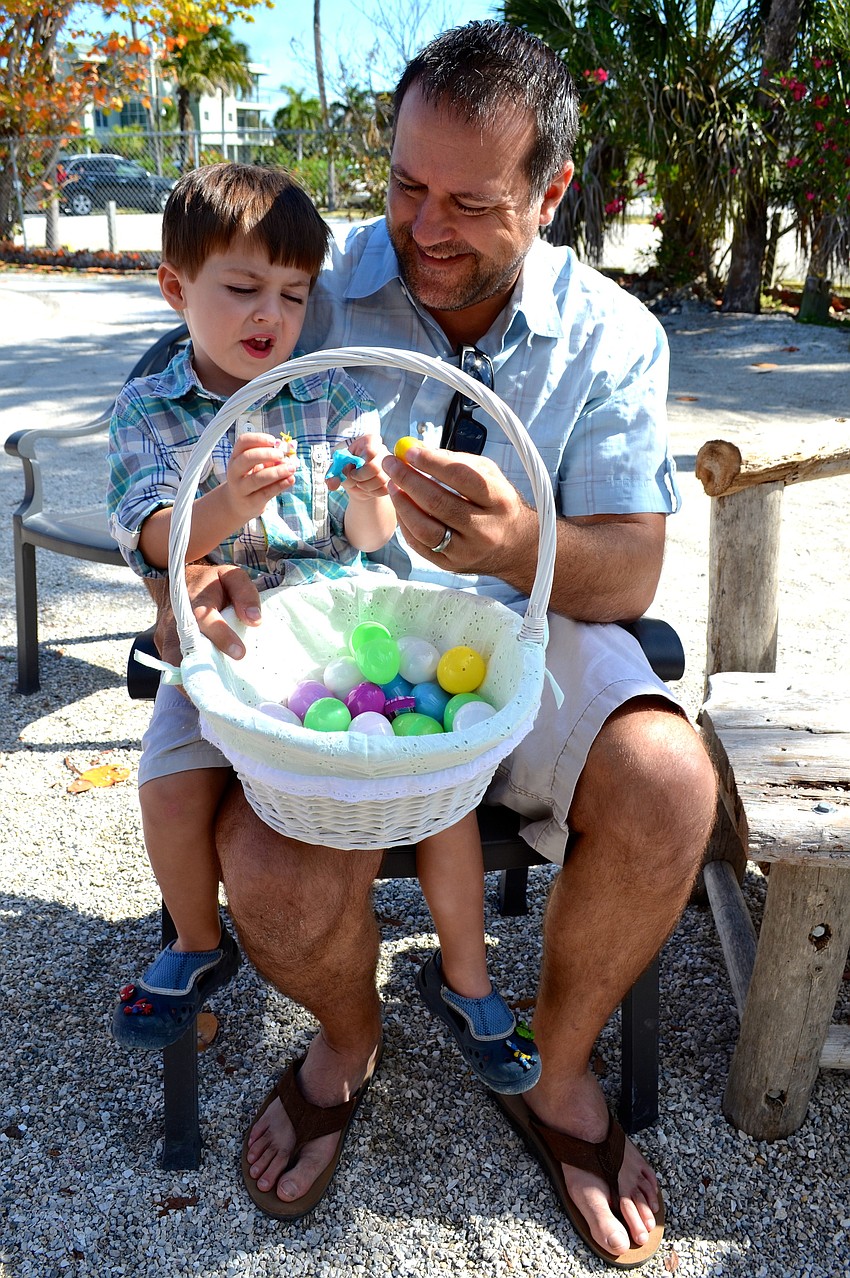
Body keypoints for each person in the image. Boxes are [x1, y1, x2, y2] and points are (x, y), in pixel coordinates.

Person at [151, 24, 717, 1268]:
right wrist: (188, 564)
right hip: (318, 636)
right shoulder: (302, 278)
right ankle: (347, 1039)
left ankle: (552, 1073)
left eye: (472, 201)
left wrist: (521, 543)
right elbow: (173, 426)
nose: (425, 226)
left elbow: (628, 569)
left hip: (527, 630)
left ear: (553, 192)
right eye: (406, 185)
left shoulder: (611, 334)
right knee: (285, 879)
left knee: (673, 781)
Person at [106, 161, 541, 1099]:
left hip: (338, 640)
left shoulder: (329, 394)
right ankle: (193, 941)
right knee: (168, 783)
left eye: (295, 294)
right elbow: (151, 532)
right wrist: (222, 502)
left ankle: (465, 976)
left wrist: (365, 492)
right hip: (224, 642)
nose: (272, 313)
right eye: (243, 288)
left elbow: (372, 545)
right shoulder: (152, 409)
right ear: (177, 289)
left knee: (443, 790)